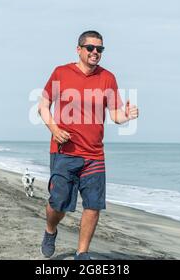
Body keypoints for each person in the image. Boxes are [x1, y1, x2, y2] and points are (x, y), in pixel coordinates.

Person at [38, 30, 139, 260]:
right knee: (58, 204)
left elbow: (115, 115)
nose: (96, 53)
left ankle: (81, 253)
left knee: (93, 206)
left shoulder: (108, 78)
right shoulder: (61, 72)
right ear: (79, 50)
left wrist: (128, 115)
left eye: (100, 49)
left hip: (94, 154)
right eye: (91, 48)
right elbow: (43, 106)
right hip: (65, 152)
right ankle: (50, 230)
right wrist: (54, 129)